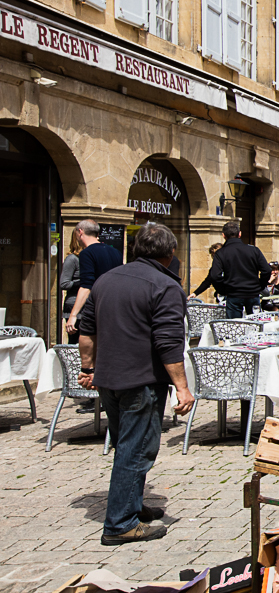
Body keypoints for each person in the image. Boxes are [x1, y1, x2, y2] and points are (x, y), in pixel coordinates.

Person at [76, 223, 194, 545]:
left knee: (126, 445)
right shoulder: (166, 286)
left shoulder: (106, 280)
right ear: (170, 254)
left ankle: (130, 505)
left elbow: (87, 330)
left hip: (110, 380)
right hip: (140, 381)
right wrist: (182, 387)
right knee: (137, 449)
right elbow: (169, 342)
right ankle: (120, 523)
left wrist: (88, 367)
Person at [65, 220, 123, 338]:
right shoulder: (115, 252)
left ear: (80, 232)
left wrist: (73, 315)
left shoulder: (87, 253)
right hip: (113, 307)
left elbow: (86, 285)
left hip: (95, 309)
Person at [211, 220, 272, 318]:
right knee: (255, 325)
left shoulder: (221, 253)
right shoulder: (253, 250)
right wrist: (260, 286)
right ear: (240, 234)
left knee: (235, 327)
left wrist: (223, 290)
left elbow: (215, 275)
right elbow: (267, 270)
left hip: (233, 294)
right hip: (252, 293)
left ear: (223, 235)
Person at [59, 230, 84, 344]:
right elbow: (64, 283)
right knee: (75, 343)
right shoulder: (72, 259)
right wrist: (83, 282)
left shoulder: (87, 258)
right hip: (73, 304)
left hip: (87, 305)